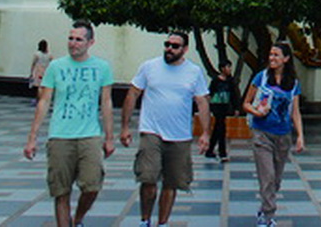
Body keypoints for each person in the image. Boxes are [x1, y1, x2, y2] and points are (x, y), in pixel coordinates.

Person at [23, 20, 115, 227]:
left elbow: (106, 102)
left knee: (92, 186)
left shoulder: (102, 67)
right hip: (60, 136)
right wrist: (32, 138)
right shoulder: (56, 67)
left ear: (90, 42)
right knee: (61, 191)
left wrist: (110, 137)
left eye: (79, 39)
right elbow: (44, 101)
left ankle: (78, 218)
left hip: (89, 135)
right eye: (71, 38)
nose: (73, 43)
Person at [120, 32, 210, 227]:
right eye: (167, 44)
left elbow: (202, 102)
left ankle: (162, 222)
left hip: (179, 136)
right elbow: (133, 94)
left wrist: (205, 133)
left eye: (175, 46)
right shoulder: (149, 67)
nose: (169, 49)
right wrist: (125, 127)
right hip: (151, 131)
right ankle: (145, 220)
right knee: (148, 178)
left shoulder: (194, 72)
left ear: (185, 49)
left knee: (171, 183)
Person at [242, 43, 304, 227]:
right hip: (262, 133)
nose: (272, 58)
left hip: (283, 135)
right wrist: (256, 112)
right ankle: (268, 216)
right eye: (270, 54)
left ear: (286, 58)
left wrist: (300, 135)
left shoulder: (293, 83)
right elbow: (246, 103)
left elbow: (295, 112)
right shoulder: (261, 77)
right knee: (267, 176)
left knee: (275, 179)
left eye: (276, 55)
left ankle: (264, 208)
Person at [205, 61, 240, 161]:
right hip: (216, 107)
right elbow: (210, 93)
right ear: (222, 68)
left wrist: (236, 108)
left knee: (217, 128)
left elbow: (234, 95)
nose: (229, 69)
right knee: (221, 128)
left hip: (225, 107)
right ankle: (222, 152)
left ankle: (210, 150)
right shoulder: (215, 80)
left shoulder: (230, 81)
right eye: (228, 67)